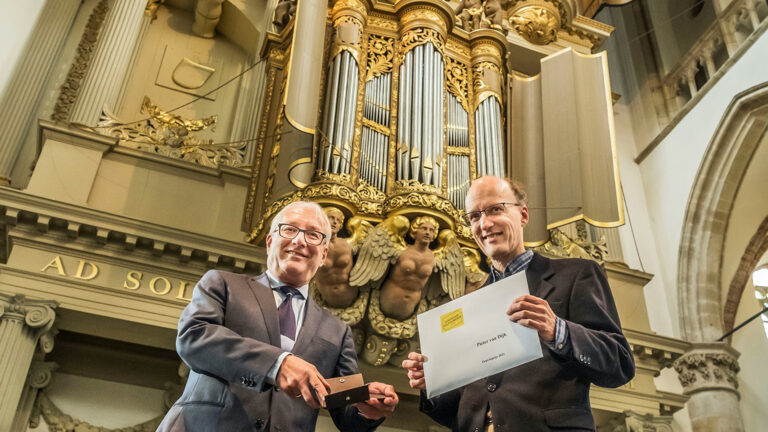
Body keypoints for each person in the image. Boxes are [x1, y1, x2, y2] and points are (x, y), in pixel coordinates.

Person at [401, 176, 634, 431]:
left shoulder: (576, 274)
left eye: (495, 209)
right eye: (474, 216)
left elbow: (619, 363)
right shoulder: (469, 305)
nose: (484, 224)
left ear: (523, 215)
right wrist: (433, 383)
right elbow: (467, 408)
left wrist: (558, 330)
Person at [158, 201, 399, 431]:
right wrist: (277, 363)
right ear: (270, 241)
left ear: (324, 255)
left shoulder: (337, 330)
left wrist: (367, 407)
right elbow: (193, 338)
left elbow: (345, 410)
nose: (299, 240)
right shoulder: (222, 284)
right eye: (290, 229)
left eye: (313, 234)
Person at [314, 207, 357, 308]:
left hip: (352, 301)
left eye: (338, 221)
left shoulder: (348, 244)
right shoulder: (314, 245)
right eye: (331, 218)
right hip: (323, 303)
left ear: (341, 226)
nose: (335, 222)